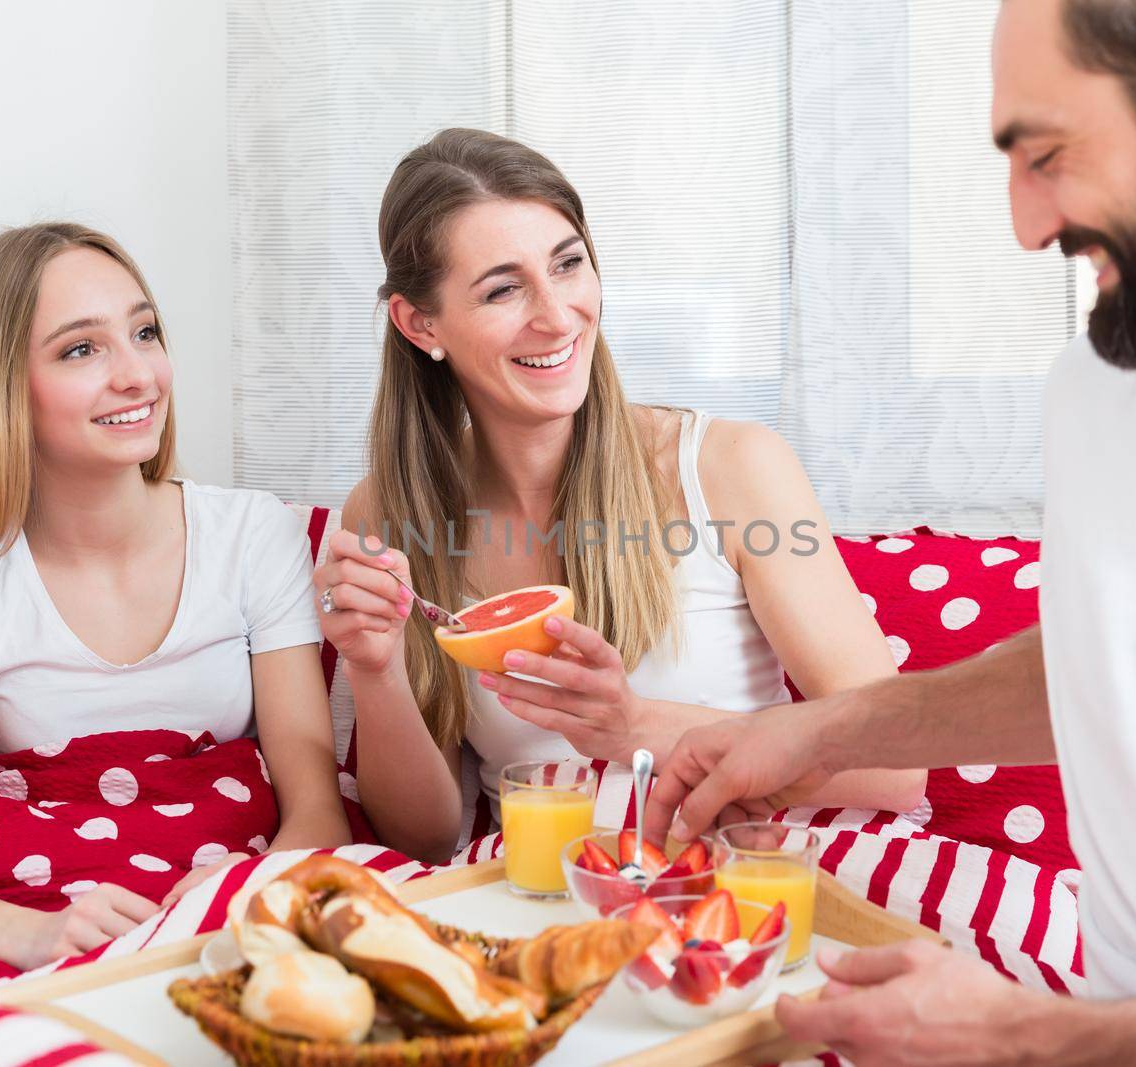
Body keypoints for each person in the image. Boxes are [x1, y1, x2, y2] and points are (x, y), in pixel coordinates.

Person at [646, 0, 1136, 1062]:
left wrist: (1044, 1033)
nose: (1026, 224)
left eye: (1046, 154)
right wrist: (823, 731)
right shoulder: (1105, 388)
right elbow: (1122, 659)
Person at [313, 129, 926, 863]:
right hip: (537, 892)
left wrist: (635, 723)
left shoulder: (730, 467)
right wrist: (376, 671)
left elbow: (897, 766)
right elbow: (426, 836)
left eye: (568, 264)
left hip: (735, 878)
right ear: (421, 323)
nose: (557, 314)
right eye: (504, 289)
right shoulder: (388, 514)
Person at [0, 223, 350, 970]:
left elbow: (317, 810)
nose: (138, 374)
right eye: (82, 348)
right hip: (52, 911)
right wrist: (30, 934)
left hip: (227, 908)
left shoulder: (250, 534)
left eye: (145, 332)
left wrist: (241, 892)